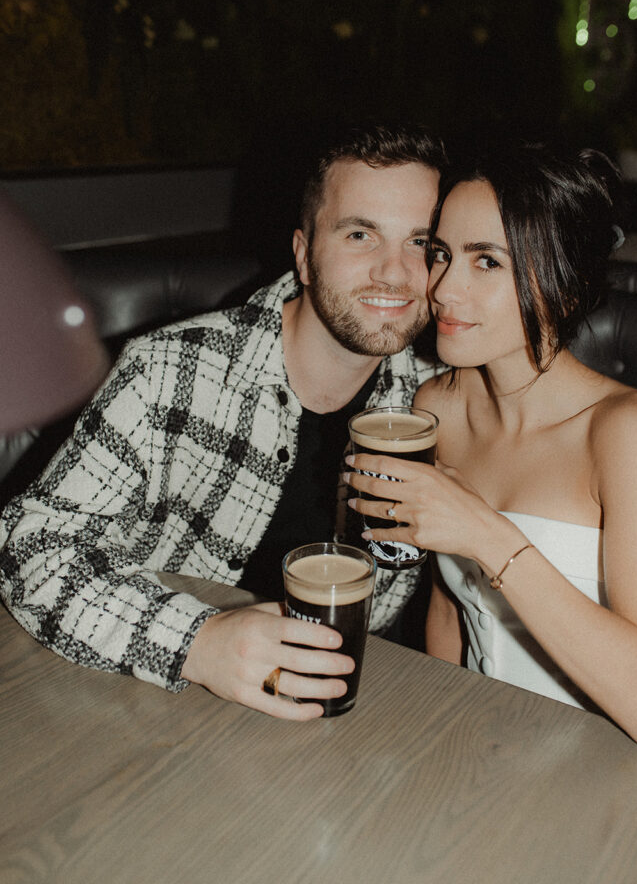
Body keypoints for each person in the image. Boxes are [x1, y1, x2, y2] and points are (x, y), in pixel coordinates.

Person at [0, 122, 446, 719]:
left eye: (420, 242)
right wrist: (199, 643)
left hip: (337, 718)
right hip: (145, 702)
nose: (394, 272)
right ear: (304, 256)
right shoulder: (170, 372)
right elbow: (30, 548)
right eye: (361, 234)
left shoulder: (437, 405)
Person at [344, 142, 637, 748]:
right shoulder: (437, 408)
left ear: (562, 282)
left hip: (621, 763)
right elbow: (450, 608)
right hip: (484, 747)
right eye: (443, 254)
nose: (443, 289)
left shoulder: (629, 433)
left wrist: (483, 531)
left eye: (488, 262)